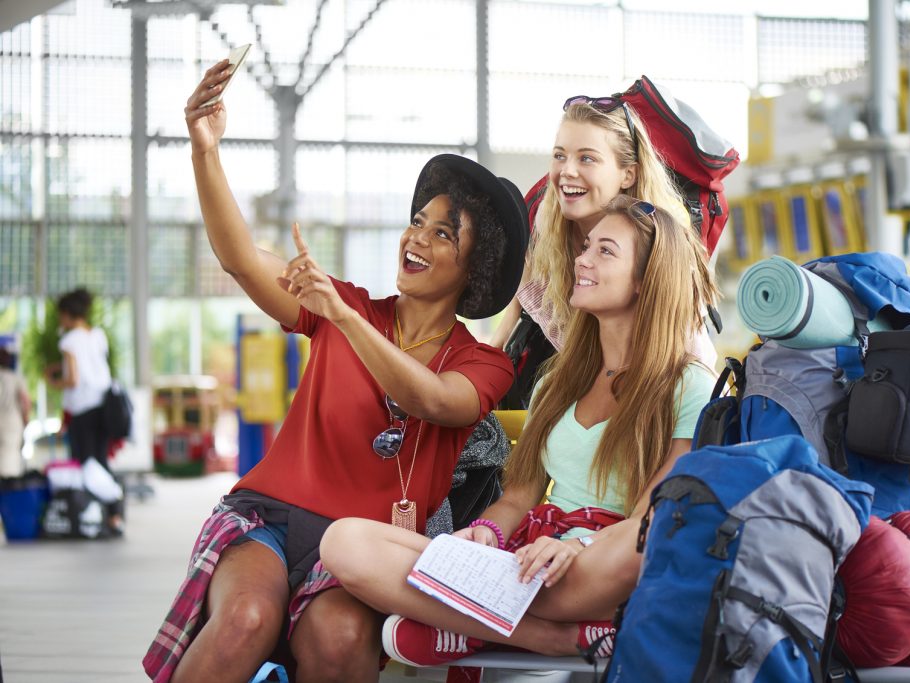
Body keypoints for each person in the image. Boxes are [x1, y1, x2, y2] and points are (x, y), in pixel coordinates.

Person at [144, 60, 528, 683]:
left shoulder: (480, 362)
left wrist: (347, 321)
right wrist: (205, 150)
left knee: (342, 635)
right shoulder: (339, 303)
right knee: (243, 617)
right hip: (269, 517)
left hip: (362, 551)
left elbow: (435, 401)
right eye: (416, 222)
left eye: (442, 234)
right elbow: (242, 260)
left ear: (474, 269)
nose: (417, 238)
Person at [320, 195, 719, 668]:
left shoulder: (690, 385)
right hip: (531, 560)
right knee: (344, 542)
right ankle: (554, 638)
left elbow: (650, 520)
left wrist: (577, 546)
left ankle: (465, 619)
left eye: (604, 251)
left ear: (646, 279)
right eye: (585, 246)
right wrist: (486, 532)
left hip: (601, 562)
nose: (581, 259)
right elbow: (519, 496)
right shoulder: (557, 381)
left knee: (640, 551)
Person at [491, 96, 718, 384]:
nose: (567, 171)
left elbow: (692, 365)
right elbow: (580, 347)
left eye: (587, 158)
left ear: (628, 174)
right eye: (560, 155)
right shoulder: (546, 232)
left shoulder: (660, 244)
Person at [47, 288, 113, 471]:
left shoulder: (69, 341)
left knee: (83, 462)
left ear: (67, 314)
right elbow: (92, 365)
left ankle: (87, 499)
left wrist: (54, 382)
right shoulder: (98, 335)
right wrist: (61, 366)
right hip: (103, 405)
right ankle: (110, 496)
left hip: (82, 410)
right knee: (100, 461)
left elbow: (73, 380)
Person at [0, 346, 31, 478]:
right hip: (12, 423)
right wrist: (25, 418)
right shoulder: (16, 378)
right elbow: (26, 401)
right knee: (10, 460)